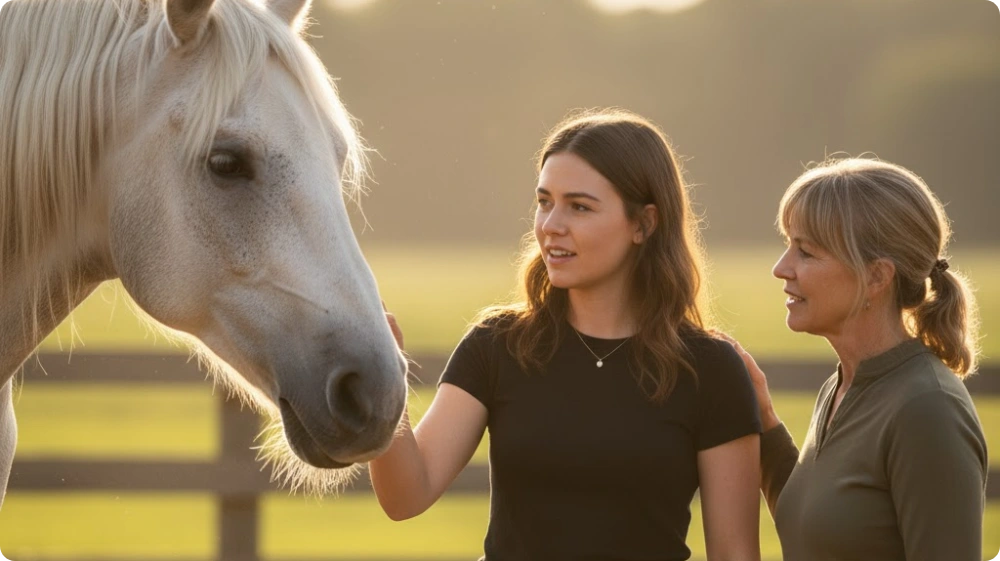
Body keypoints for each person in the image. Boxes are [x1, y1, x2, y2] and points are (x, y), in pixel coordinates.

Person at [371, 108, 762, 561]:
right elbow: (405, 497)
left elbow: (735, 553)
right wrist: (386, 384)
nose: (551, 225)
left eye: (579, 206)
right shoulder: (497, 345)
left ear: (644, 224)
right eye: (544, 201)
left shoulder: (709, 369)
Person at [720, 157, 988, 561]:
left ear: (877, 277)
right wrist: (766, 422)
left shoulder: (928, 408)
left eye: (806, 252)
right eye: (787, 245)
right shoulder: (842, 385)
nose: (781, 268)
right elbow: (821, 534)